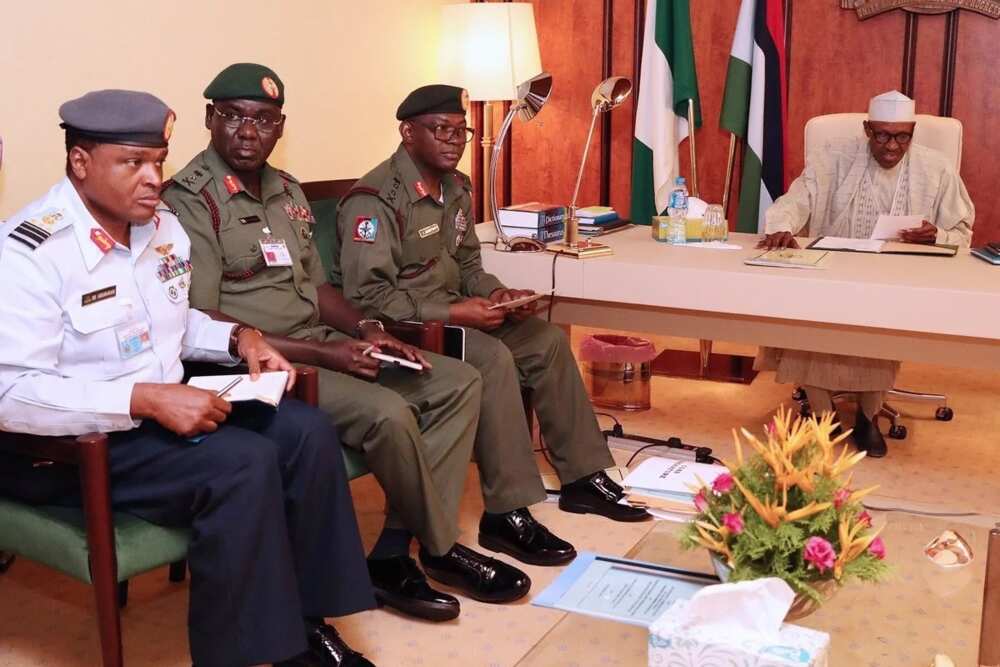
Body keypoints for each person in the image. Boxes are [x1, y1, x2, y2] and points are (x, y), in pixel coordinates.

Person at [0, 89, 375, 667]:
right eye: (133, 163)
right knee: (241, 464)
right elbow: (12, 395)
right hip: (70, 446)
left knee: (306, 432)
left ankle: (306, 625)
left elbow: (169, 323)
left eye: (159, 160)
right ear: (80, 162)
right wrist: (144, 398)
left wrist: (238, 338)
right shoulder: (31, 252)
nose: (155, 178)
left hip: (155, 416)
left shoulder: (161, 228)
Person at [162, 63, 529, 622]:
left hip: (322, 339)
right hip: (253, 363)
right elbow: (202, 318)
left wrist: (367, 330)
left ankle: (391, 552)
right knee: (388, 412)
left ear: (280, 127)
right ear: (211, 119)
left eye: (262, 119)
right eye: (233, 116)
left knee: (457, 382)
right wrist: (326, 352)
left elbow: (318, 286)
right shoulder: (191, 200)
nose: (246, 130)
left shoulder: (285, 190)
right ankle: (438, 548)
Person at [332, 84, 651, 559]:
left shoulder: (456, 187)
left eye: (461, 130)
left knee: (544, 340)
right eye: (441, 129)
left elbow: (468, 268)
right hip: (407, 330)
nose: (454, 140)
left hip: (457, 315)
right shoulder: (375, 200)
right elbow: (368, 298)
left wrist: (496, 295)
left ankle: (584, 476)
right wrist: (457, 312)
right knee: (494, 357)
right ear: (407, 132)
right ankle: (507, 512)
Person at [756, 90, 975, 457]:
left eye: (902, 136)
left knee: (878, 329)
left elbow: (963, 231)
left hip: (897, 277)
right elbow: (796, 201)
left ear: (913, 132)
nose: (892, 146)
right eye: (882, 135)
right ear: (867, 129)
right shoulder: (833, 159)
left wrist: (936, 234)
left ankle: (868, 419)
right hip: (831, 271)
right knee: (808, 325)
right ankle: (823, 418)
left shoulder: (935, 168)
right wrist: (783, 227)